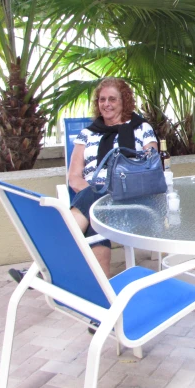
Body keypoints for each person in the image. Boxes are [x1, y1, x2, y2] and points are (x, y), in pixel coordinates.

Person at [68, 77, 158, 278]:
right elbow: (74, 177)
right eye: (101, 99)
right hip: (93, 195)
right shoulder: (87, 134)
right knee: (94, 211)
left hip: (131, 198)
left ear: (124, 101)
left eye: (112, 99)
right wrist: (97, 198)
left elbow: (151, 167)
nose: (106, 104)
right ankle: (103, 287)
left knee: (94, 202)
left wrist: (105, 194)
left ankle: (48, 262)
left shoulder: (142, 129)